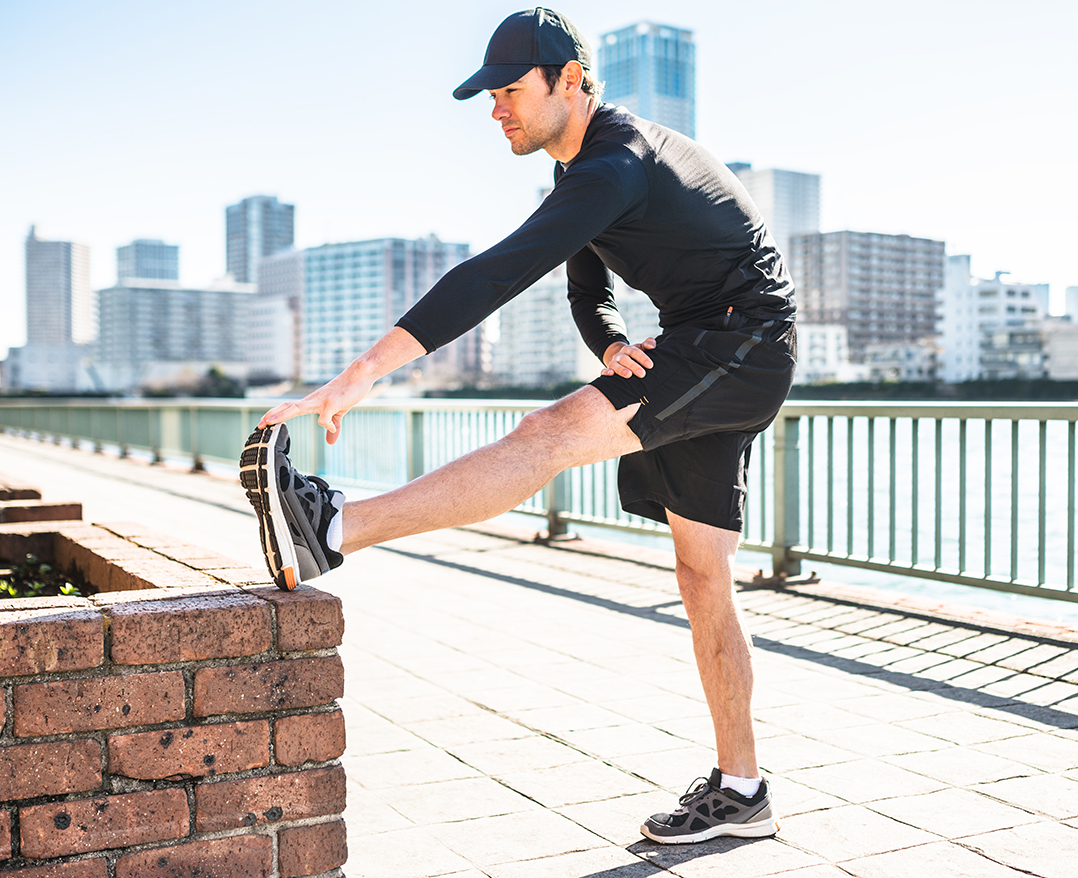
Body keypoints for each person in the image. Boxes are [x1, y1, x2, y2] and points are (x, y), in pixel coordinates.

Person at [239, 7, 795, 845]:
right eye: (488, 95)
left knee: (545, 434)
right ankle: (742, 790)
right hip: (707, 340)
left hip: (741, 340)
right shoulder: (587, 180)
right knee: (701, 574)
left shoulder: (616, 163)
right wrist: (607, 340)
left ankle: (333, 525)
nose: (495, 109)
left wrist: (355, 377)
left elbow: (495, 273)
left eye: (509, 90)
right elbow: (583, 288)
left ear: (569, 82)